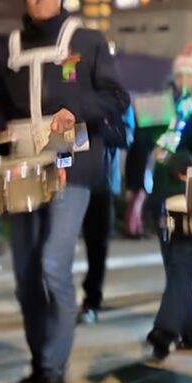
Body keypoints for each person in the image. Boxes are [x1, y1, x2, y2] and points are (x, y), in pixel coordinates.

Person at [0, 0, 129, 383]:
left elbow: (117, 97)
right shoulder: (12, 46)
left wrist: (74, 106)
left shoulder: (88, 40)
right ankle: (39, 364)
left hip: (71, 156)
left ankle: (53, 374)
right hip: (24, 161)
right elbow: (0, 104)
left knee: (52, 264)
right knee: (25, 274)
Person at [145, 43, 192, 358]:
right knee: (173, 264)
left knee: (182, 261)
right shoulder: (164, 101)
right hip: (163, 193)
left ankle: (166, 328)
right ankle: (191, 330)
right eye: (182, 72)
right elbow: (147, 141)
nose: (186, 79)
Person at [79, 104, 135, 324]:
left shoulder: (118, 100)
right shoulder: (73, 95)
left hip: (102, 182)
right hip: (71, 180)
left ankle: (92, 298)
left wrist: (99, 125)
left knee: (97, 244)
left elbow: (126, 137)